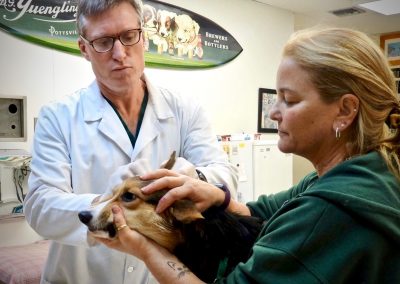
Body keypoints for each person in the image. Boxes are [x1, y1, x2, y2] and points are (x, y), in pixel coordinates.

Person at [98, 27, 400, 283]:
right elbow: (267, 213)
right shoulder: (364, 172)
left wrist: (145, 250)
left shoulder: (331, 211)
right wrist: (217, 196)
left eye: (289, 100)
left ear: (345, 111)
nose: (274, 113)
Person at [23, 0, 237, 283]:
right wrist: (110, 203)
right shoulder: (58, 117)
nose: (120, 53)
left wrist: (188, 178)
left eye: (128, 36)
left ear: (143, 37)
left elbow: (226, 179)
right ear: (84, 49)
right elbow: (40, 207)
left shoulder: (185, 111)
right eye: (103, 42)